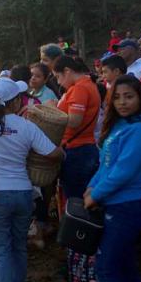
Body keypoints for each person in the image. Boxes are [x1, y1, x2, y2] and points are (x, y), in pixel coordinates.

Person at [0, 77, 64, 282]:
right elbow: (53, 153)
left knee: (1, 250)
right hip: (23, 192)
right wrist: (63, 152)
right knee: (18, 246)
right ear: (15, 102)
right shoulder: (26, 125)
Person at [84, 75, 141, 282]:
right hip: (112, 203)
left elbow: (124, 171)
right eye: (116, 98)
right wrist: (91, 186)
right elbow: (107, 164)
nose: (122, 102)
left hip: (127, 206)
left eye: (128, 96)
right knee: (124, 264)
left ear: (140, 97)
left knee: (106, 268)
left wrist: (95, 195)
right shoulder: (119, 126)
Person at [53, 56, 101, 203]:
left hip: (77, 151)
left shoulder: (80, 88)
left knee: (76, 201)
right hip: (83, 148)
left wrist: (52, 111)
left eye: (58, 77)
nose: (59, 82)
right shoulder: (87, 85)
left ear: (67, 71)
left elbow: (74, 121)